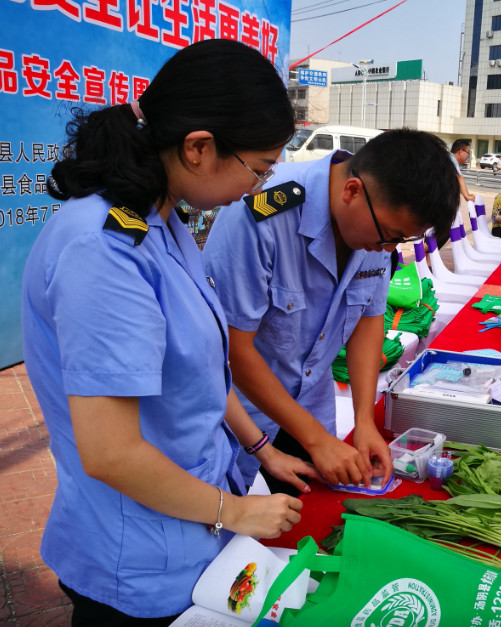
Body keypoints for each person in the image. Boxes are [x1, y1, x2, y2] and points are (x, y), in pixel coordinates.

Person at [20, 39, 318, 624]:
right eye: (257, 169)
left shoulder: (159, 218)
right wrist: (233, 511)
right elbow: (110, 453)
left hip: (188, 524)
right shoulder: (103, 250)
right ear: (199, 147)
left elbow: (198, 370)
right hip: (135, 556)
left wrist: (259, 449)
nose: (257, 189)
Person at [203, 129, 460, 495]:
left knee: (303, 522)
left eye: (401, 239)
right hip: (240, 413)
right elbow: (232, 347)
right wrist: (316, 441)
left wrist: (364, 421)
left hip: (312, 403)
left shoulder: (375, 222)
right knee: (230, 531)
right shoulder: (265, 212)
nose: (387, 247)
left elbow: (368, 322)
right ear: (352, 191)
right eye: (388, 234)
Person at [450, 138, 475, 202]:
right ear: (461, 151)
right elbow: (459, 178)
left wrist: (467, 195)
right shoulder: (451, 160)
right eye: (467, 152)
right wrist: (467, 196)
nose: (468, 155)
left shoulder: (447, 157)